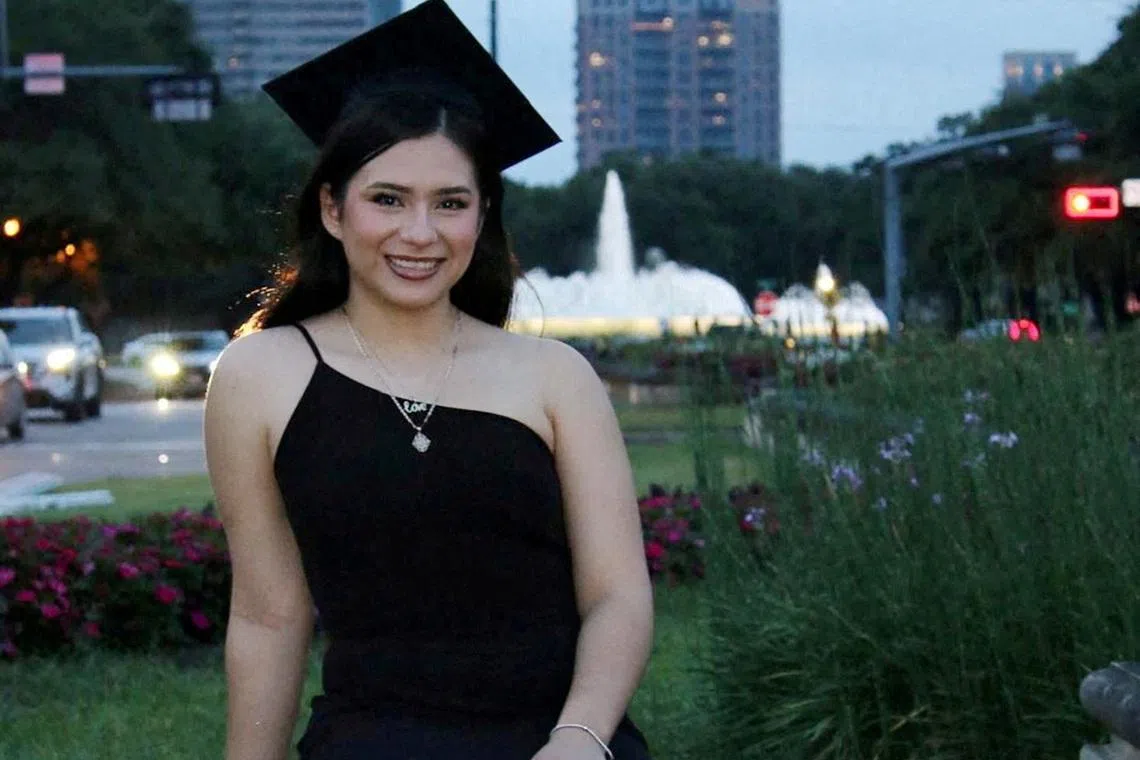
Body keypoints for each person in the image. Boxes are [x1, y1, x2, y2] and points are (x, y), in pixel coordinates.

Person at [202, 2, 655, 758]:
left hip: (554, 742)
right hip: (370, 740)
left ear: (482, 217)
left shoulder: (554, 377)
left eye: (450, 203)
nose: (420, 233)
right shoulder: (260, 374)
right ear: (333, 209)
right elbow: (268, 614)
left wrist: (580, 736)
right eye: (388, 199)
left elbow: (617, 596)